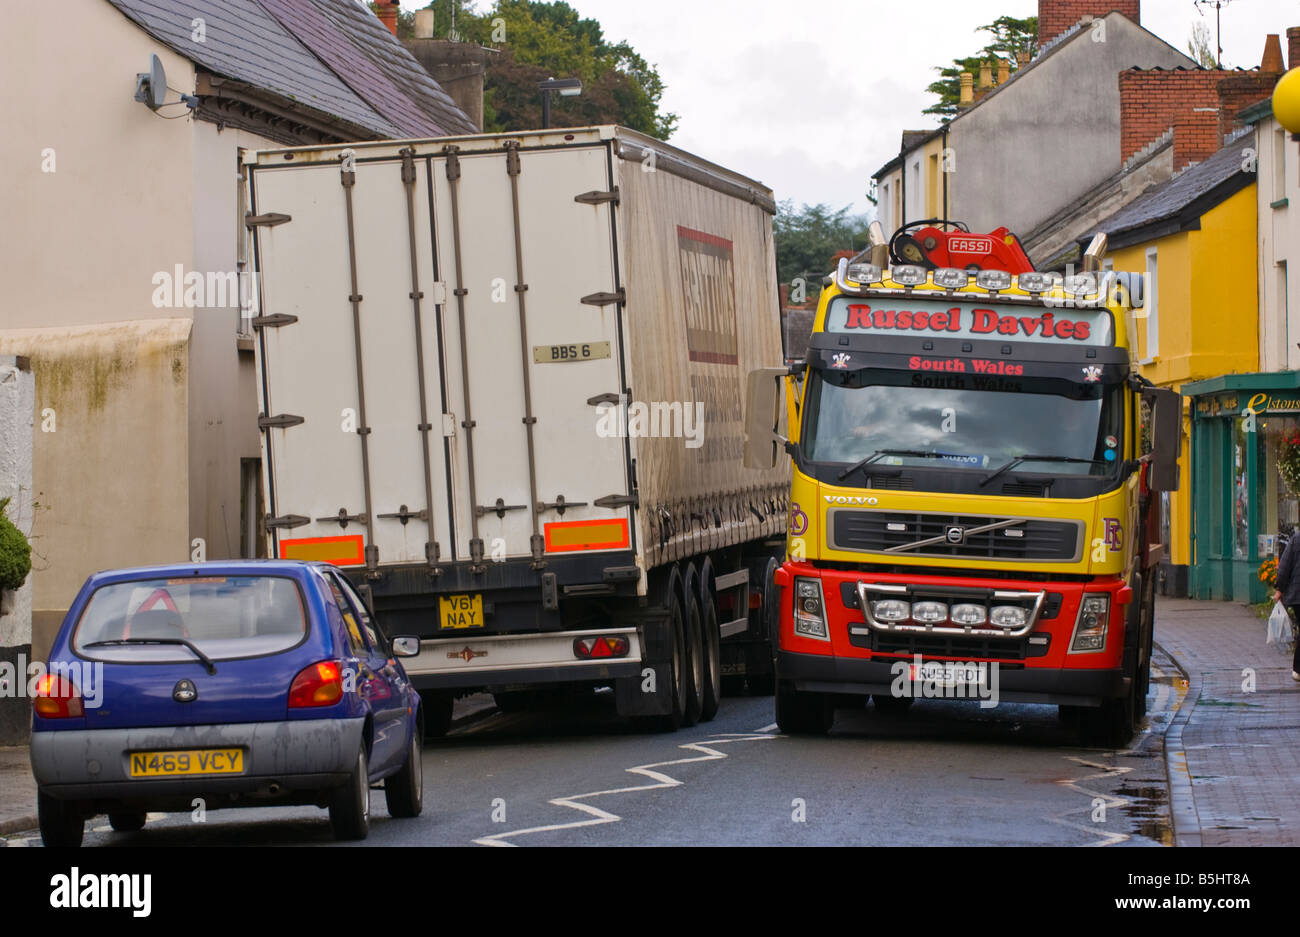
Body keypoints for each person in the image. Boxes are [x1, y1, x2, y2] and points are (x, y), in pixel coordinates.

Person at [1272, 534, 1300, 681]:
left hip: (1297, 596)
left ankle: (1297, 670)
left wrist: (1279, 590)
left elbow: (1284, 566)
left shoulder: (1296, 539)